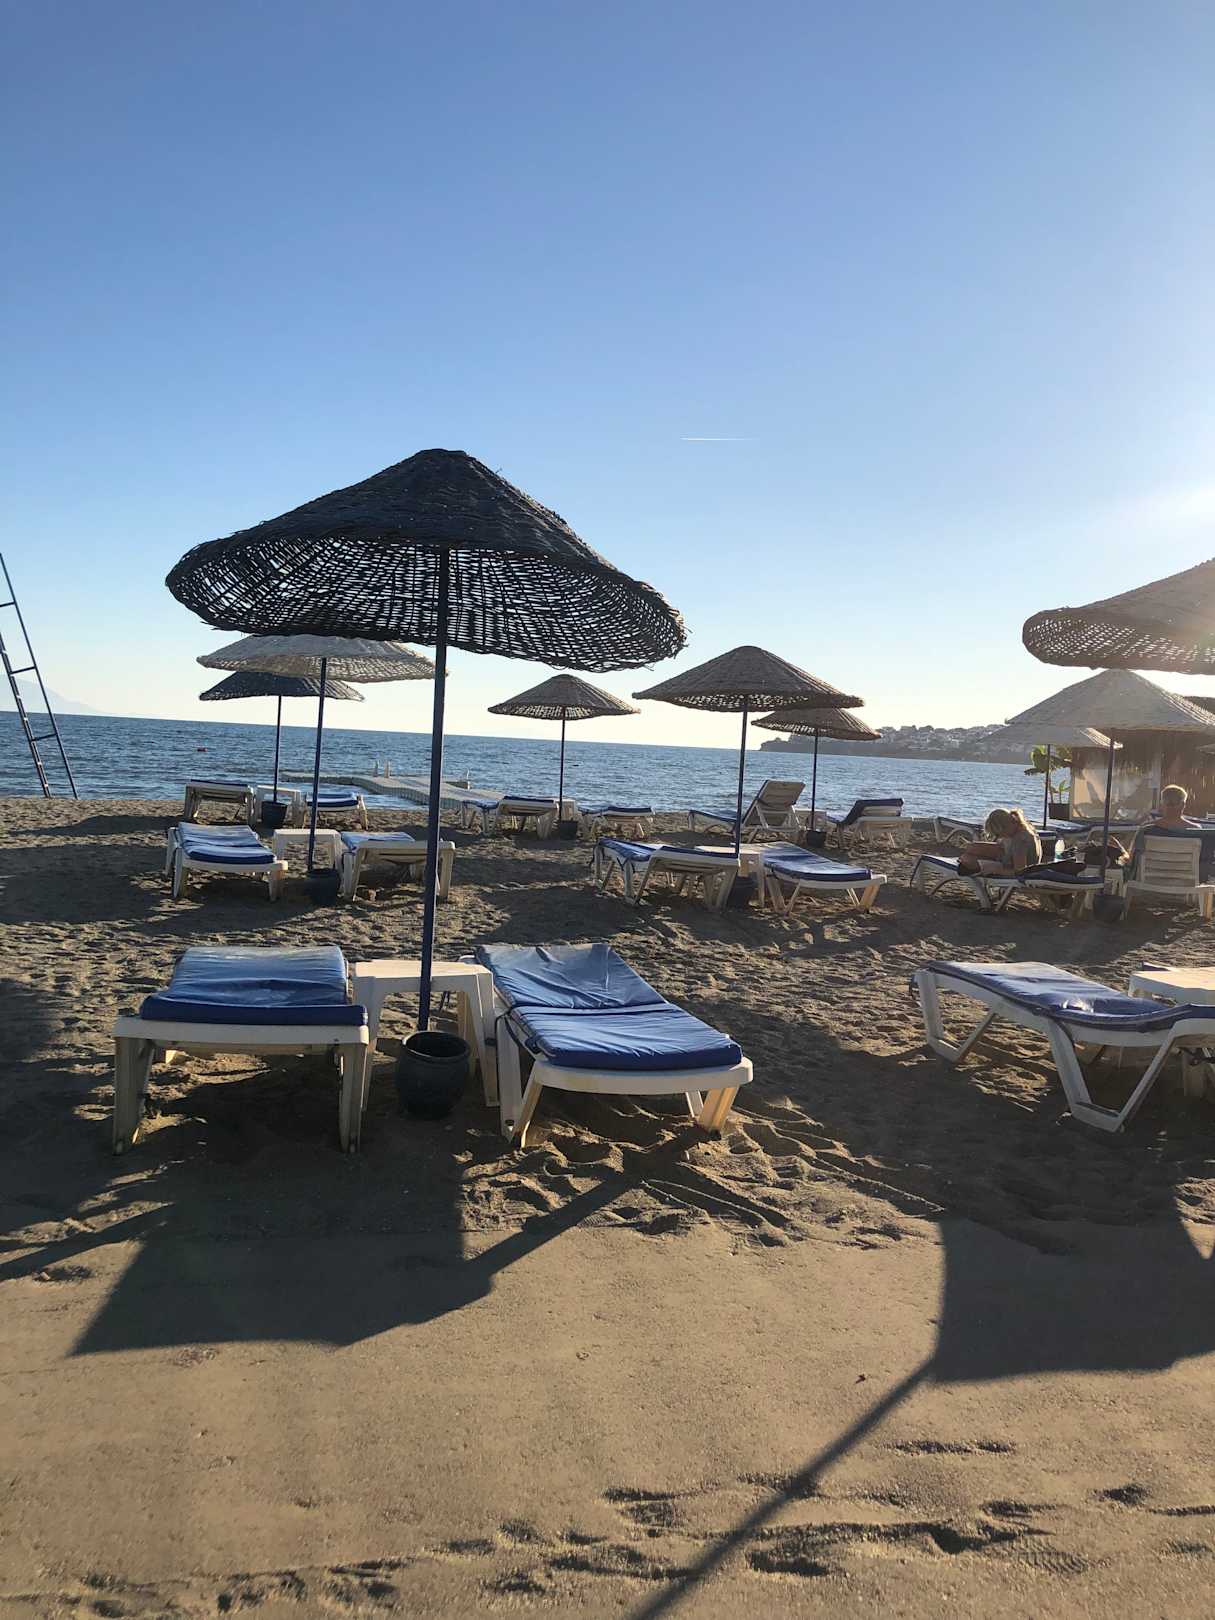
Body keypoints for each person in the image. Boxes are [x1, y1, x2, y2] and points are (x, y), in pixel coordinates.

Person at [956, 808, 1042, 876]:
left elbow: (1020, 871)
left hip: (1009, 868)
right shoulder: (1023, 829)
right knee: (970, 850)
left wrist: (996, 870)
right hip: (1007, 860)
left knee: (967, 859)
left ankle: (973, 868)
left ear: (1004, 827)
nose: (999, 837)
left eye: (998, 834)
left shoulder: (1020, 840)